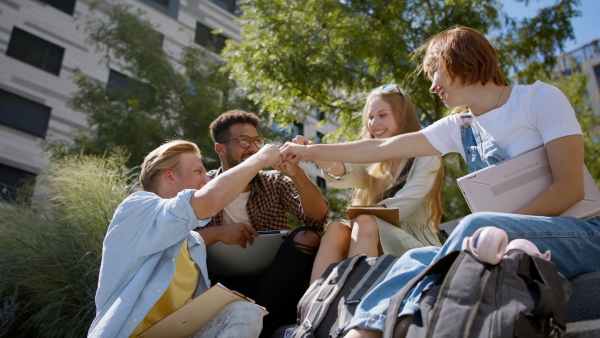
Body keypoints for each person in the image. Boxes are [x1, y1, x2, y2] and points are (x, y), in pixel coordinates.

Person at [280, 25, 600, 337]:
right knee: (415, 260)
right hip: (506, 237)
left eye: (435, 70)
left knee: (472, 227)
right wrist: (309, 151)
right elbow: (380, 147)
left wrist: (492, 226)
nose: (432, 85)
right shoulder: (458, 127)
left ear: (460, 61)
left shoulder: (540, 98)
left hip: (581, 232)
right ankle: (356, 331)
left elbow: (570, 187)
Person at [88, 140, 282, 338]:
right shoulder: (136, 206)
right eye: (198, 171)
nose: (206, 179)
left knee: (246, 311)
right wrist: (262, 157)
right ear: (170, 176)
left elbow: (190, 233)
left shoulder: (192, 243)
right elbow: (208, 202)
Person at [293, 85, 444, 283]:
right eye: (370, 117)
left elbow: (405, 204)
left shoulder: (427, 155)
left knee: (364, 221)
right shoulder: (374, 159)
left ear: (402, 116)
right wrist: (314, 152)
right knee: (336, 229)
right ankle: (313, 306)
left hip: (413, 244)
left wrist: (363, 220)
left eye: (382, 115)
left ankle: (355, 299)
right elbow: (345, 172)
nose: (374, 123)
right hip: (370, 236)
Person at [201, 110, 330, 337]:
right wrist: (218, 232)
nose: (252, 148)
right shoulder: (202, 186)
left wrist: (297, 174)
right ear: (220, 148)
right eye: (243, 141)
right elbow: (178, 237)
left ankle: (261, 326)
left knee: (308, 236)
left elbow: (317, 219)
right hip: (217, 282)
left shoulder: (275, 182)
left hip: (273, 280)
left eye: (257, 142)